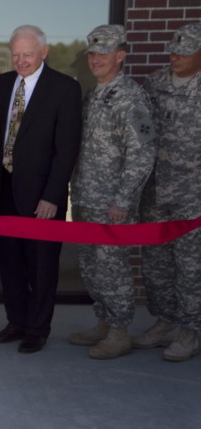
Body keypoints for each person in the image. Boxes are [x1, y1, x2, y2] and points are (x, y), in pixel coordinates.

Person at [0, 25, 82, 354]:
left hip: (42, 195)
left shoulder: (64, 89)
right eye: (15, 54)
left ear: (44, 52)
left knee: (41, 263)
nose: (20, 61)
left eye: (26, 54)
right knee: (9, 260)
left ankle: (37, 329)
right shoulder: (1, 84)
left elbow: (66, 149)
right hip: (6, 187)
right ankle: (16, 322)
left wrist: (53, 196)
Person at [69, 25, 156, 360]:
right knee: (91, 265)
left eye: (103, 53)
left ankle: (120, 331)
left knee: (112, 268)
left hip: (112, 204)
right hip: (86, 198)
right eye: (92, 53)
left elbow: (142, 153)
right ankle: (104, 321)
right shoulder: (95, 93)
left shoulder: (130, 97)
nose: (96, 59)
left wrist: (123, 200)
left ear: (120, 55)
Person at [135, 22, 201, 362]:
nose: (175, 55)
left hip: (193, 192)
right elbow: (141, 128)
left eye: (185, 50)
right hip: (156, 188)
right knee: (156, 262)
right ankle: (165, 322)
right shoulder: (157, 82)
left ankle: (190, 330)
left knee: (190, 266)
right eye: (174, 49)